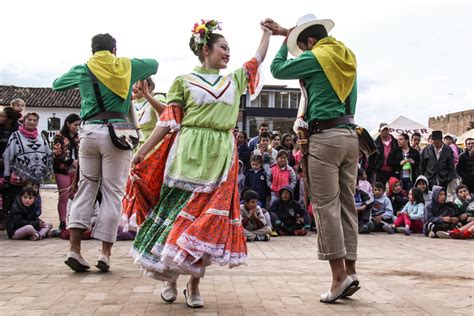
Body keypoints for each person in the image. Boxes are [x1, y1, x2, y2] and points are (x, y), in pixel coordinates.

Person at [129, 20, 273, 308]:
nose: (228, 53)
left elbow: (256, 60)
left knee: (205, 223)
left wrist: (266, 34)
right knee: (177, 217)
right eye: (223, 47)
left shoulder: (233, 80)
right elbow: (168, 122)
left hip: (220, 158)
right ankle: (170, 278)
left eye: (229, 49)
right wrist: (143, 151)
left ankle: (194, 285)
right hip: (187, 155)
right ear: (205, 49)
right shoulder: (183, 81)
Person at [266, 14, 361, 302]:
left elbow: (277, 68)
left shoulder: (317, 56)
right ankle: (352, 271)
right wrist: (290, 32)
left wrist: (284, 40)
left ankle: (337, 279)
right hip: (350, 136)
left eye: (304, 46)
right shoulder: (346, 55)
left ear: (310, 41)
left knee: (325, 207)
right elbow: (349, 98)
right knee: (347, 206)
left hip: (325, 138)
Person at [52, 33, 158, 273]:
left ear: (92, 50)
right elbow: (154, 64)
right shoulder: (125, 65)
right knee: (112, 193)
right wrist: (125, 65)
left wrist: (83, 74)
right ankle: (105, 254)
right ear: (114, 49)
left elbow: (56, 84)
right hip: (118, 134)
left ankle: (75, 250)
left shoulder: (84, 68)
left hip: (88, 132)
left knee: (86, 188)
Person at [3, 112, 52, 217]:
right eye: (29, 119)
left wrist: (48, 169)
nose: (32, 122)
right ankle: (18, 223)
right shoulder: (15, 136)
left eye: (35, 120)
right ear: (24, 121)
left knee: (33, 199)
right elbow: (8, 155)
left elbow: (48, 153)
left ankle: (33, 221)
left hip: (36, 176)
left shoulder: (41, 136)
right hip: (20, 176)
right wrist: (7, 173)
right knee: (20, 199)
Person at [52, 114, 80, 231]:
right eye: (75, 125)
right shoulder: (59, 137)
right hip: (62, 169)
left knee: (75, 196)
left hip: (76, 170)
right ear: (68, 123)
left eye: (79, 125)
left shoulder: (78, 137)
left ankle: (74, 220)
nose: (77, 127)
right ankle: (62, 222)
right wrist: (71, 161)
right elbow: (57, 154)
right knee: (64, 196)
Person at [0, 107, 19, 230]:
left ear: (9, 120)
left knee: (11, 192)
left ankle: (11, 218)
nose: (0, 118)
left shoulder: (17, 131)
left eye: (2, 116)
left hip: (12, 166)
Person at [371, 123, 399, 188]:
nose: (385, 132)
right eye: (383, 130)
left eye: (386, 130)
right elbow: (371, 158)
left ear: (389, 130)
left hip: (393, 170)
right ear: (379, 131)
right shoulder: (375, 143)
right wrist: (374, 168)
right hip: (380, 171)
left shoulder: (395, 142)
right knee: (379, 189)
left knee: (394, 189)